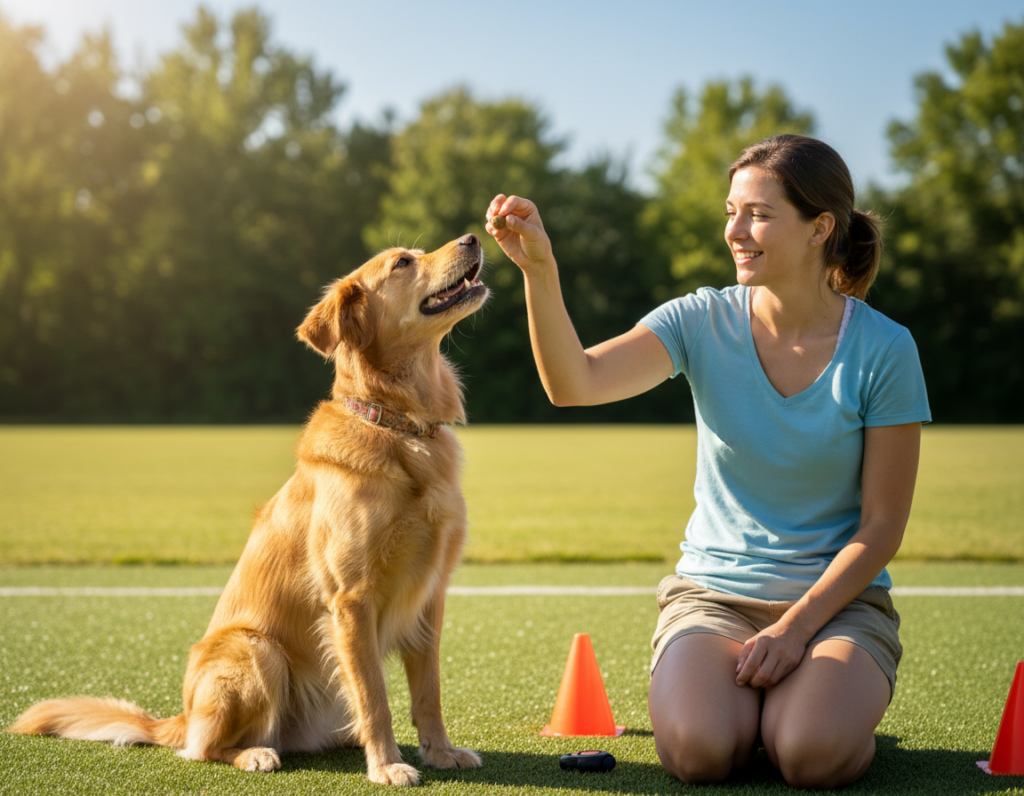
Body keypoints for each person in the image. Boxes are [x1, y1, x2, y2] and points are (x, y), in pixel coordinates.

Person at [485, 134, 930, 789]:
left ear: (820, 229)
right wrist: (539, 272)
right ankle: (758, 715)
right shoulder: (700, 320)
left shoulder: (886, 349)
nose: (736, 231)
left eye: (758, 213)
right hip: (713, 598)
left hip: (836, 609)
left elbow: (882, 528)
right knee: (699, 753)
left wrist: (794, 630)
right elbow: (573, 384)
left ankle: (807, 719)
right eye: (731, 211)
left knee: (809, 755)